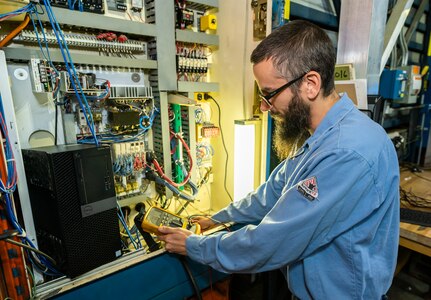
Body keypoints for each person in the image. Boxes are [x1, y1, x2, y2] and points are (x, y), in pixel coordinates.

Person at [158, 20, 400, 299]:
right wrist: (217, 218)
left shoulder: (347, 152)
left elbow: (272, 241)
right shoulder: (322, 135)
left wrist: (196, 246)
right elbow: (273, 192)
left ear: (310, 84)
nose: (263, 106)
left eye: (269, 94)